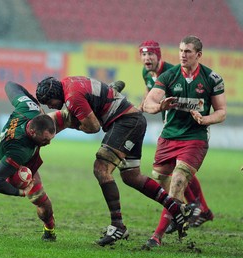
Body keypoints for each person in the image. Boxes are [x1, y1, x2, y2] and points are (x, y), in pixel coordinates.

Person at [36, 76, 192, 247]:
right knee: (132, 176)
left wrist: (74, 123)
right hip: (132, 120)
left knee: (101, 168)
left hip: (125, 122)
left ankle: (118, 225)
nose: (49, 105)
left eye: (49, 101)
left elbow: (93, 127)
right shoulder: (69, 82)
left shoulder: (72, 98)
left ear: (56, 93)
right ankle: (177, 209)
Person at [142, 35, 226, 247]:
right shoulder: (169, 76)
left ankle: (157, 236)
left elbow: (222, 112)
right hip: (169, 136)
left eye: (187, 52)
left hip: (194, 138)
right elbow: (148, 103)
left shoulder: (211, 78)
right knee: (160, 178)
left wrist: (205, 119)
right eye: (180, 50)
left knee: (178, 181)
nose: (182, 55)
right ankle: (183, 211)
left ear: (198, 55)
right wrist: (160, 106)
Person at [0, 81, 57, 241]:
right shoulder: (18, 152)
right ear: (33, 132)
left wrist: (35, 102)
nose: (49, 143)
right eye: (46, 139)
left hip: (33, 127)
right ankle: (49, 228)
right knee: (42, 201)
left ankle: (100, 103)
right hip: (22, 162)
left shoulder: (28, 108)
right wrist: (21, 192)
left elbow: (10, 85)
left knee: (69, 116)